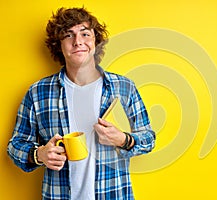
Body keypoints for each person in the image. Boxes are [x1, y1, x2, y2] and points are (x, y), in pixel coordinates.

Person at [7, 7, 155, 200]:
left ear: (95, 41)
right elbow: (15, 146)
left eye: (85, 33)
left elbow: (149, 138)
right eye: (68, 35)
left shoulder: (123, 87)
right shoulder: (38, 92)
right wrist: (39, 154)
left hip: (114, 194)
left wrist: (123, 140)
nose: (78, 42)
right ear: (58, 45)